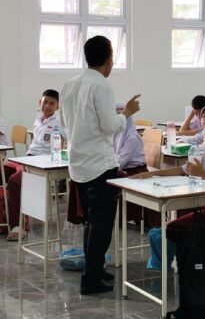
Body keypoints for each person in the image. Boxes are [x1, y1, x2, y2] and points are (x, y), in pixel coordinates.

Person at [131, 115, 205, 302]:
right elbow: (183, 169)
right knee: (173, 228)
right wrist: (151, 175)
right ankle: (187, 269)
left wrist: (204, 174)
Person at [59, 35, 141, 295]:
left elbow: (63, 124)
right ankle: (91, 279)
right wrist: (127, 112)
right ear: (108, 59)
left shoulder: (69, 85)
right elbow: (110, 125)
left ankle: (94, 270)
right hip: (100, 165)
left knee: (90, 223)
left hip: (78, 164)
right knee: (101, 225)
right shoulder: (102, 85)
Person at [0, 90, 62, 240]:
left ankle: (17, 226)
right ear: (40, 102)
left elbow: (66, 143)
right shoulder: (38, 120)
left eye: (52, 103)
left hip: (41, 162)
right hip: (27, 159)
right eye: (45, 102)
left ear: (58, 106)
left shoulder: (59, 122)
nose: (47, 106)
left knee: (14, 182)